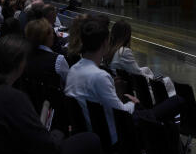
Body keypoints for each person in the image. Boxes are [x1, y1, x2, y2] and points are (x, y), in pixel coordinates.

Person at [65, 16, 184, 145]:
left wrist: (117, 94)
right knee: (177, 101)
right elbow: (121, 112)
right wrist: (133, 103)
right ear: (104, 43)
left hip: (95, 130)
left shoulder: (73, 70)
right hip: (119, 133)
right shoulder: (99, 76)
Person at [24, 18, 68, 86]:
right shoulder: (58, 60)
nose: (53, 35)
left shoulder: (23, 55)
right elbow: (68, 81)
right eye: (52, 33)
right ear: (46, 37)